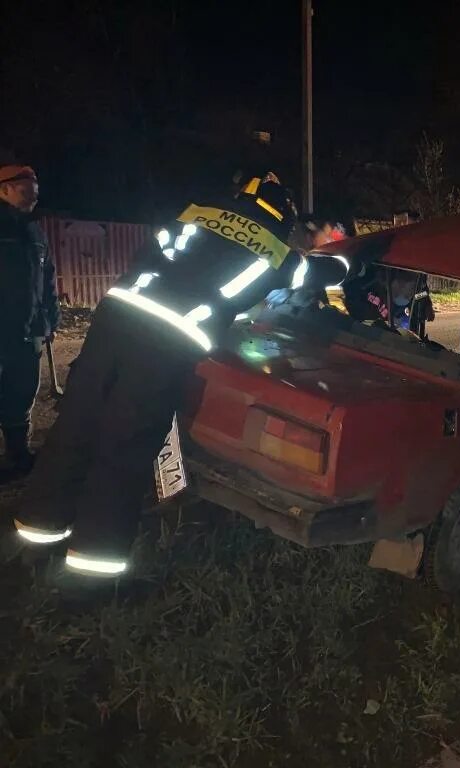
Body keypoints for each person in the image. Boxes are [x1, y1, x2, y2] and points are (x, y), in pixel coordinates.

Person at [12, 173, 350, 580]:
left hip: (116, 318)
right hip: (167, 340)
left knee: (76, 426)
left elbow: (161, 254)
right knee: (125, 446)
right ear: (282, 215)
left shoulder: (196, 215)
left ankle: (35, 538)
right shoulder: (275, 249)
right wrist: (350, 256)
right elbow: (320, 274)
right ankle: (89, 574)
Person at [0, 165, 59, 475]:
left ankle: (18, 456)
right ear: (4, 189)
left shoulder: (35, 232)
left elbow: (47, 277)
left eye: (35, 193)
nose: (33, 198)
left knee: (21, 394)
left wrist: (51, 316)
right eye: (25, 191)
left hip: (30, 331)